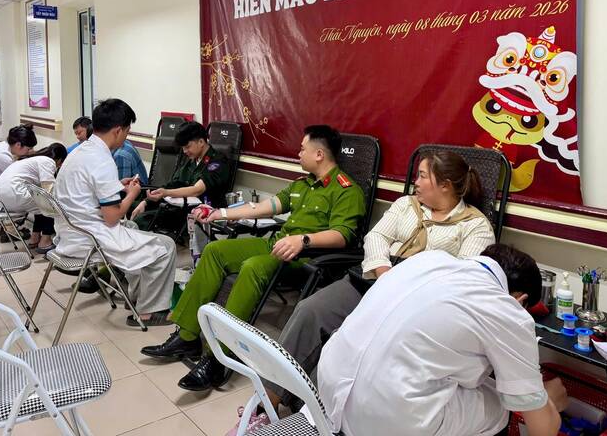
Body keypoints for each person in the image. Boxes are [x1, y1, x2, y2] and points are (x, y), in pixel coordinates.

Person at [259, 150, 496, 418]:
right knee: (308, 310)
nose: (414, 182)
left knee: (348, 341)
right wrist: (385, 275)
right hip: (373, 278)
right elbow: (376, 237)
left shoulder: (475, 226)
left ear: (445, 185)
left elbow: (460, 280)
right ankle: (266, 403)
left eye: (421, 176)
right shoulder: (406, 204)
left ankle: (312, 417)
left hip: (414, 304)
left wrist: (400, 288)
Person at [141, 125, 366, 392]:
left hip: (303, 258)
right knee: (214, 252)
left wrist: (303, 240)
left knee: (252, 267)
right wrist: (220, 213)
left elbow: (343, 235)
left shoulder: (346, 191)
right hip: (274, 244)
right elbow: (263, 207)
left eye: (302, 149)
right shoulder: (302, 185)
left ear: (319, 154)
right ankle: (187, 334)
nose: (298, 153)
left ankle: (219, 359)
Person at [317, 244, 567, 436]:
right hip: (382, 421)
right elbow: (542, 430)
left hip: (329, 388)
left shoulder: (427, 259)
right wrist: (547, 402)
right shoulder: (506, 308)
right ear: (521, 300)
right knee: (505, 405)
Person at [53, 98, 177, 327]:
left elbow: (88, 190)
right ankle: (150, 311)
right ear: (118, 130)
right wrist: (131, 194)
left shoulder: (80, 152)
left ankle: (137, 296)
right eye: (127, 131)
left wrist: (118, 185)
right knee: (165, 246)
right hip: (88, 239)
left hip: (69, 232)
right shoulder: (102, 160)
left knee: (133, 228)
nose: (127, 137)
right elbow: (112, 217)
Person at [130, 121, 230, 232]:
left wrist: (166, 193)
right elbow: (174, 184)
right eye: (183, 147)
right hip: (177, 204)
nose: (184, 151)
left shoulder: (217, 162)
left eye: (187, 147)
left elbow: (197, 190)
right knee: (133, 206)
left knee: (142, 220)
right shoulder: (192, 159)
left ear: (201, 142)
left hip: (197, 211)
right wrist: (146, 201)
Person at [0, 143, 67, 254]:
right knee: (50, 205)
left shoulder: (31, 160)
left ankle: (34, 238)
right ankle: (45, 242)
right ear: (59, 159)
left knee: (39, 204)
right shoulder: (47, 161)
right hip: (13, 194)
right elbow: (49, 189)